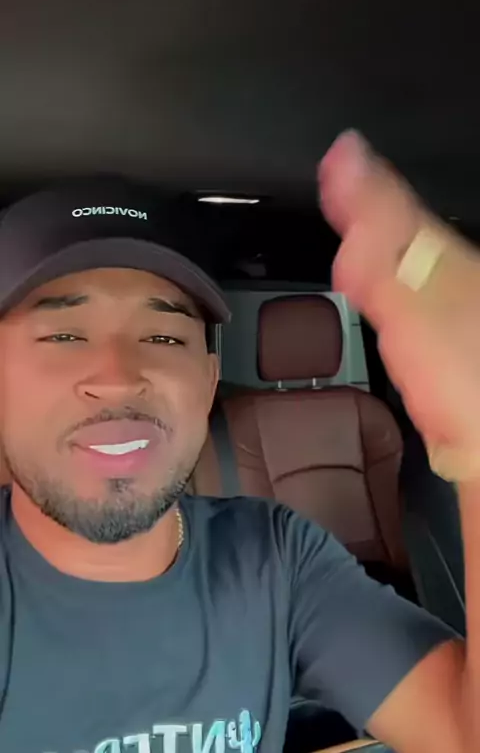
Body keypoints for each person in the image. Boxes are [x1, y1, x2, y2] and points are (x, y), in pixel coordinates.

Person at [0, 132, 478, 753]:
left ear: (207, 382)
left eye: (165, 338)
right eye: (63, 336)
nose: (118, 378)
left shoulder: (277, 557)